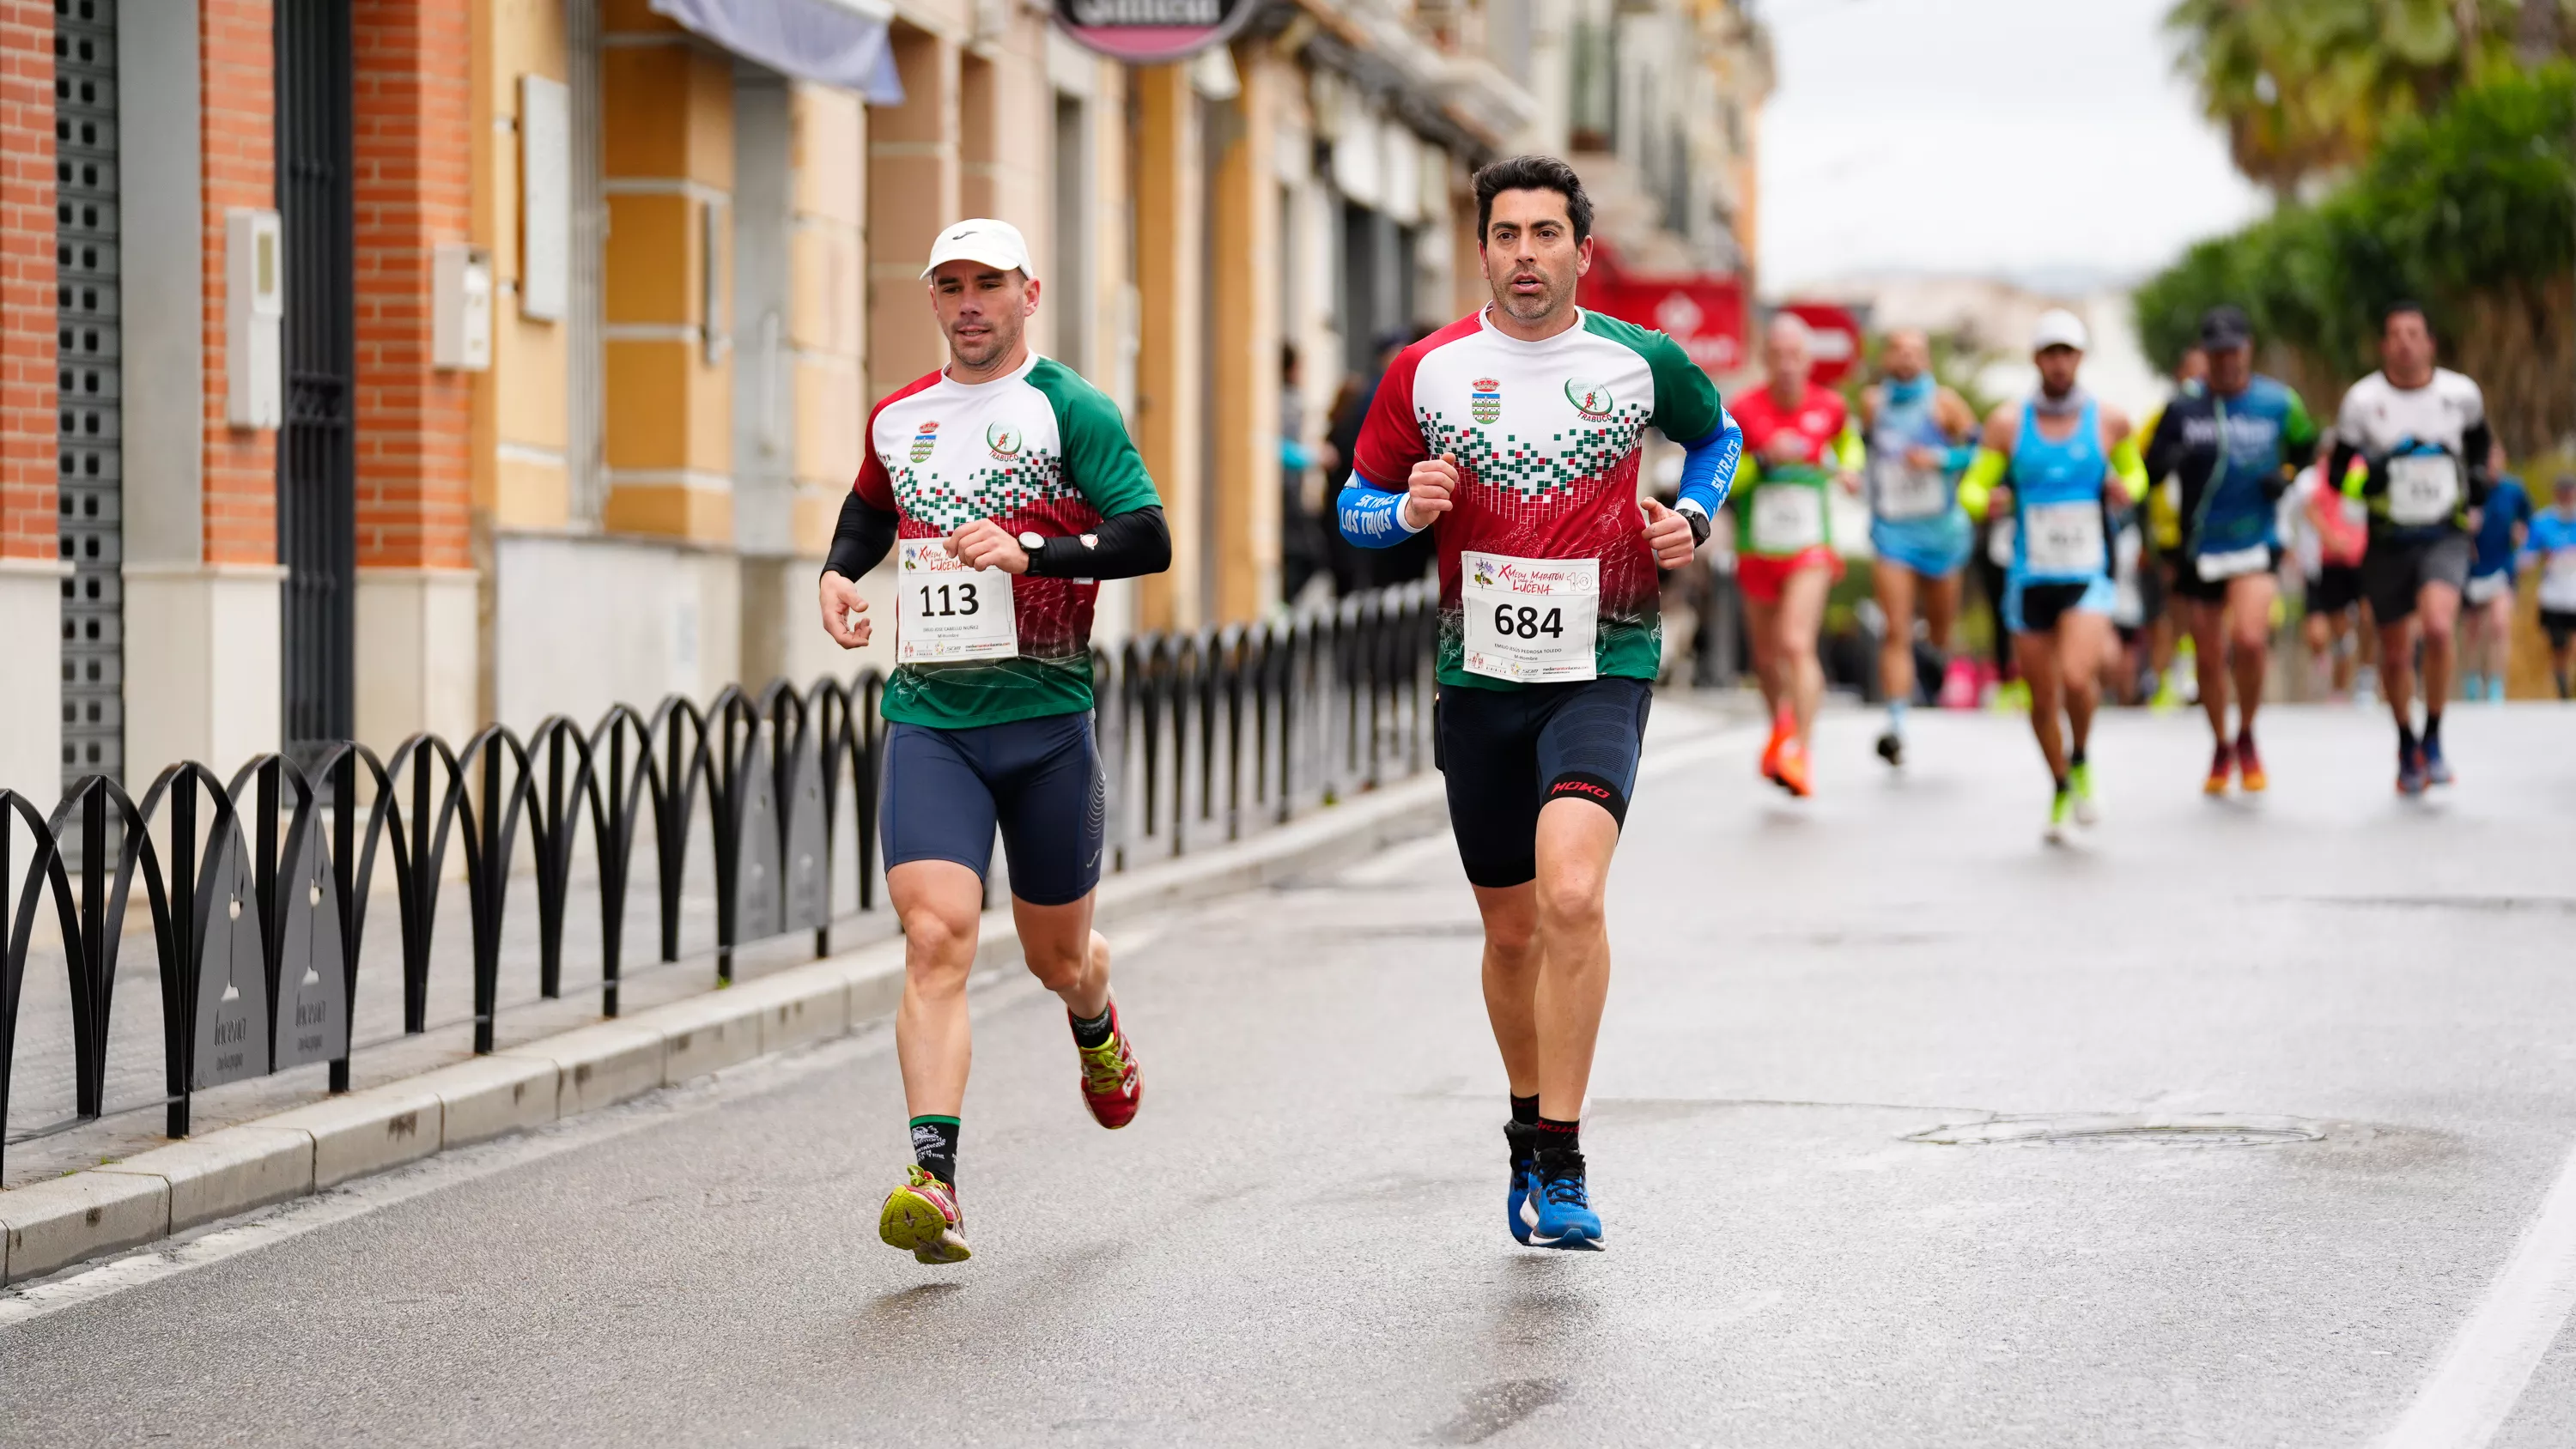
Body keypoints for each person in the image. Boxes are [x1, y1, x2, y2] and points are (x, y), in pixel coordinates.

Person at [1336, 155, 1740, 1250]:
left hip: (1602, 658)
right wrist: (1405, 510)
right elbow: (1353, 507)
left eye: (1546, 234)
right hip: (1478, 677)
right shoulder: (1425, 372)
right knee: (1511, 928)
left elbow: (1720, 438)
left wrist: (1691, 519)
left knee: (1571, 893)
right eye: (1507, 234)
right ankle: (1525, 1123)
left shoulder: (1637, 360)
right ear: (1483, 250)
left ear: (1581, 250)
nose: (1526, 254)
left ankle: (1563, 1156)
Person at [816, 218, 1170, 1265]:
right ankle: (936, 1178)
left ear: (1029, 293)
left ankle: (1095, 1014)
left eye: (989, 284)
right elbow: (868, 510)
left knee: (1058, 954)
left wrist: (1035, 552)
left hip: (1047, 719)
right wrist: (838, 571)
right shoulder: (901, 416)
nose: (970, 303)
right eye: (952, 285)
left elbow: (1145, 535)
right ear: (933, 299)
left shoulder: (1070, 408)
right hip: (931, 717)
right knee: (936, 936)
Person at [1957, 309, 2145, 841]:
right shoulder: (2008, 424)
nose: (2059, 363)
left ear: (2080, 359)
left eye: (2068, 353)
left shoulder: (2109, 421)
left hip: (2086, 571)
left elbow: (2136, 471)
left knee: (2078, 677)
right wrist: (1985, 501)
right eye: (2050, 353)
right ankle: (2061, 785)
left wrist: (2127, 486)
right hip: (2028, 576)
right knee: (2041, 699)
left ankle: (2081, 756)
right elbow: (1973, 486)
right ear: (2037, 359)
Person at [2142, 306, 2319, 794]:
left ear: (2248, 350)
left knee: (2250, 640)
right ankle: (2220, 743)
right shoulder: (2182, 408)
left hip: (2255, 539)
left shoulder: (2279, 403)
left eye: (2233, 352)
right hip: (2201, 545)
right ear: (2206, 355)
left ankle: (2248, 735)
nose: (2225, 362)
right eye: (2216, 353)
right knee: (2208, 654)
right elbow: (2146, 470)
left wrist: (2283, 478)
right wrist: (2166, 461)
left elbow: (2307, 446)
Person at [2328, 302, 2497, 793]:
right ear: (2383, 346)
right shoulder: (2362, 402)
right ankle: (2406, 740)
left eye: (2414, 333)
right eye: (2395, 334)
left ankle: (2436, 734)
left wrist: (2480, 480)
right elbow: (2339, 476)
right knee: (2397, 653)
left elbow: (2482, 446)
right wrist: (2369, 476)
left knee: (2440, 628)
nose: (2405, 342)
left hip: (2444, 532)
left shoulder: (2460, 394)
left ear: (2430, 344)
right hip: (2388, 539)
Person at [1728, 313, 1860, 795]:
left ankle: (1801, 751)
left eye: (1795, 355)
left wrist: (1848, 470)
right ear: (1766, 359)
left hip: (1810, 546)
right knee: (1765, 658)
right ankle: (1780, 726)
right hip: (1757, 546)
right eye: (1777, 355)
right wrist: (1763, 460)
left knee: (1795, 644)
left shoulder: (1831, 407)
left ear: (1808, 361)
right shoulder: (1743, 409)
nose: (1787, 365)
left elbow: (1850, 447)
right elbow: (1724, 477)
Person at [1855, 329, 1979, 766]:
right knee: (1897, 629)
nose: (1906, 359)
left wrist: (1941, 459)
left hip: (1941, 533)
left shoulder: (1944, 403)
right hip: (1893, 532)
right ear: (1887, 358)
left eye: (1915, 352)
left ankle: (1938, 658)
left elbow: (1981, 452)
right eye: (1899, 351)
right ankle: (1896, 724)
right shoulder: (1873, 403)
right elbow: (1863, 452)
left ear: (1926, 360)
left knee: (1940, 632)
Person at [2141, 346, 2208, 710]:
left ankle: (2203, 669)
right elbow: (2142, 467)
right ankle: (2176, 669)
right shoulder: (2163, 415)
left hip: (2211, 526)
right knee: (2176, 601)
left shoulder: (2220, 412)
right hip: (2170, 530)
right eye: (2191, 371)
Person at [2294, 452, 2372, 700]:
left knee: (2367, 618)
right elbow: (2309, 509)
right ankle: (2335, 676)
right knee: (2333, 630)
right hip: (2325, 562)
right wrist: (2330, 540)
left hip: (2361, 560)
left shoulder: (2364, 467)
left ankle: (2362, 680)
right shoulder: (2316, 476)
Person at [2463, 470, 2532, 703]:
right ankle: (2472, 681)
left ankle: (2495, 685)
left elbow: (2528, 520)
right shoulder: (2465, 486)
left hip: (2502, 569)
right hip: (2471, 569)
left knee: (2499, 624)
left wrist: (2521, 535)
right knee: (2472, 630)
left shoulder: (2513, 490)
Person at [2525, 475, 2576, 699]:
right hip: (2554, 593)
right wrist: (2541, 557)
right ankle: (2562, 688)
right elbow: (2525, 556)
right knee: (2559, 643)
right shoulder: (2542, 521)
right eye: (2563, 492)